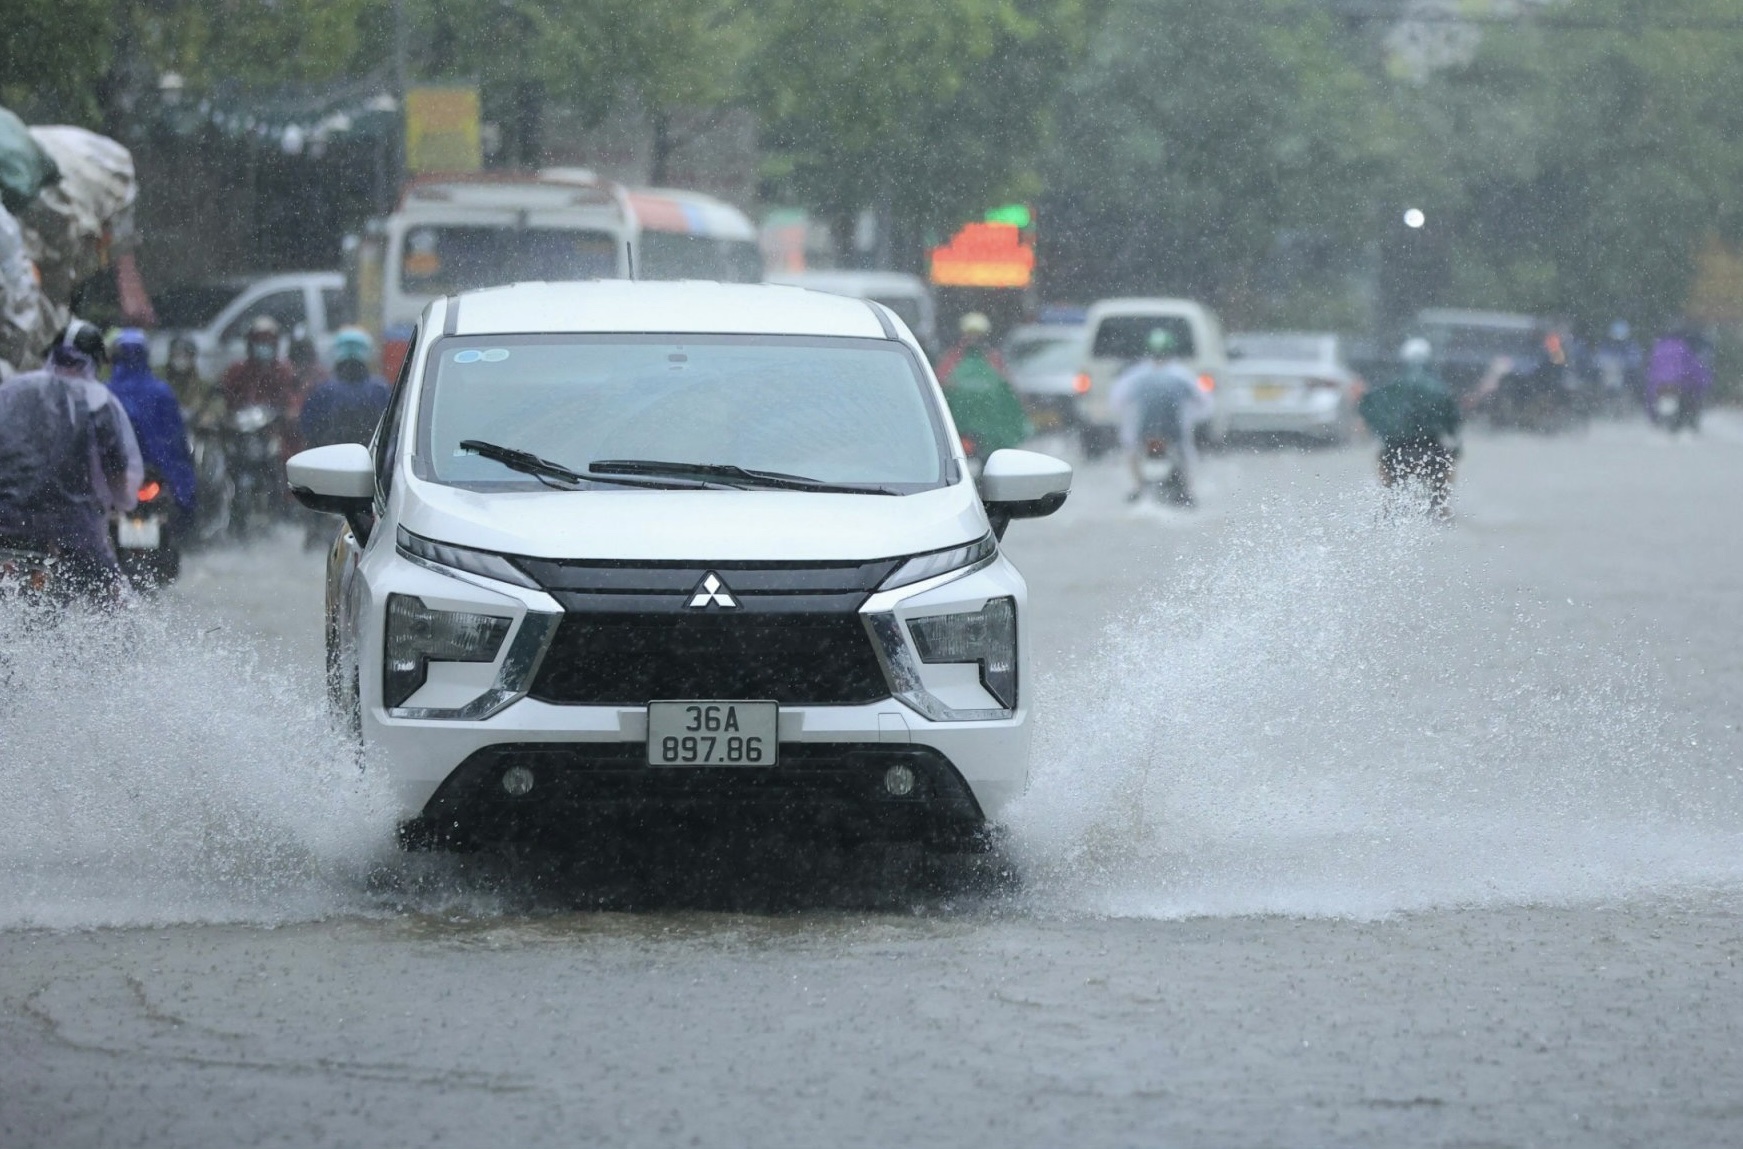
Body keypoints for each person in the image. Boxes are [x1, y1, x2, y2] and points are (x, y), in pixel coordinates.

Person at [0, 321, 144, 595]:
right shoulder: (99, 403)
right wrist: (123, 501)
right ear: (96, 362)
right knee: (114, 602)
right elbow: (118, 474)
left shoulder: (14, 391)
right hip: (73, 531)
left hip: (6, 522)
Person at [298, 327, 390, 549]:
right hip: (369, 473)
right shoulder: (380, 389)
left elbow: (306, 429)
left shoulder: (323, 391)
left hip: (330, 472)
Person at [1358, 338, 1463, 520]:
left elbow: (1367, 407)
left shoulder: (1388, 388)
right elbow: (1453, 424)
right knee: (1448, 465)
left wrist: (1383, 433)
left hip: (1396, 452)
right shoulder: (1440, 389)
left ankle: (1388, 505)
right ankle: (1442, 506)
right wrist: (1456, 449)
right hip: (1432, 452)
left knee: (1382, 460)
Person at [105, 328, 197, 525]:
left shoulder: (105, 392)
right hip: (159, 472)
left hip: (118, 473)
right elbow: (177, 440)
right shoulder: (162, 391)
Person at [1108, 327, 1209, 506]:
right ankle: (1188, 489)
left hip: (1143, 433)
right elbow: (1204, 402)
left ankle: (1137, 487)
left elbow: (1117, 402)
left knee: (1131, 452)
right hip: (1174, 433)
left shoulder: (1136, 374)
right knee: (1187, 453)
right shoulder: (1182, 374)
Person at [934, 312, 1031, 462]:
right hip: (967, 430)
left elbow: (1006, 388)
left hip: (982, 432)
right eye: (970, 335)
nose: (973, 339)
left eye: (977, 335)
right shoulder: (954, 358)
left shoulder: (991, 359)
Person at [219, 316, 298, 413]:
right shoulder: (237, 370)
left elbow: (291, 400)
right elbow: (224, 398)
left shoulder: (283, 371)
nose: (264, 345)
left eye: (268, 340)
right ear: (250, 343)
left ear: (275, 343)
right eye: (259, 340)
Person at [1646, 324, 1712, 433]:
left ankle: (1658, 420)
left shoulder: (1658, 347)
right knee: (1689, 399)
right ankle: (1685, 423)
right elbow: (1693, 367)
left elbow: (1650, 367)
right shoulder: (1683, 347)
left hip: (1659, 384)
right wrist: (1703, 380)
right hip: (1678, 383)